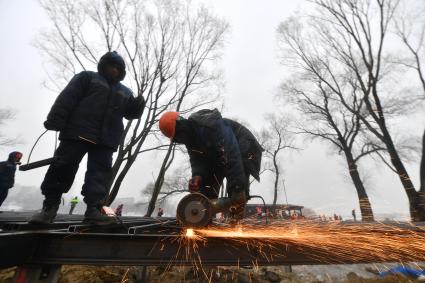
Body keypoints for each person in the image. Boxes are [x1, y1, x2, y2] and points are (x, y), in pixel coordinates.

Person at [30, 51, 145, 225]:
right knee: (62, 167)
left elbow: (130, 114)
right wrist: (56, 119)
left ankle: (94, 210)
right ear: (103, 65)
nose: (113, 70)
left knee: (100, 175)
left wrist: (138, 107)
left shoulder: (125, 91)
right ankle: (49, 207)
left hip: (106, 140)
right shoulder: (87, 78)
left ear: (121, 71)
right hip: (77, 132)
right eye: (110, 66)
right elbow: (67, 98)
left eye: (117, 68)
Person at [158, 109, 263, 222]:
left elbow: (231, 152)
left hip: (244, 146)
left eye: (179, 135)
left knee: (237, 193)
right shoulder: (190, 140)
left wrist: (237, 186)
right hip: (220, 155)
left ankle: (236, 224)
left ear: (182, 126)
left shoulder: (209, 125)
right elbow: (197, 160)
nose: (180, 140)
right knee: (206, 191)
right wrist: (198, 176)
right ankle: (204, 219)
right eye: (176, 139)